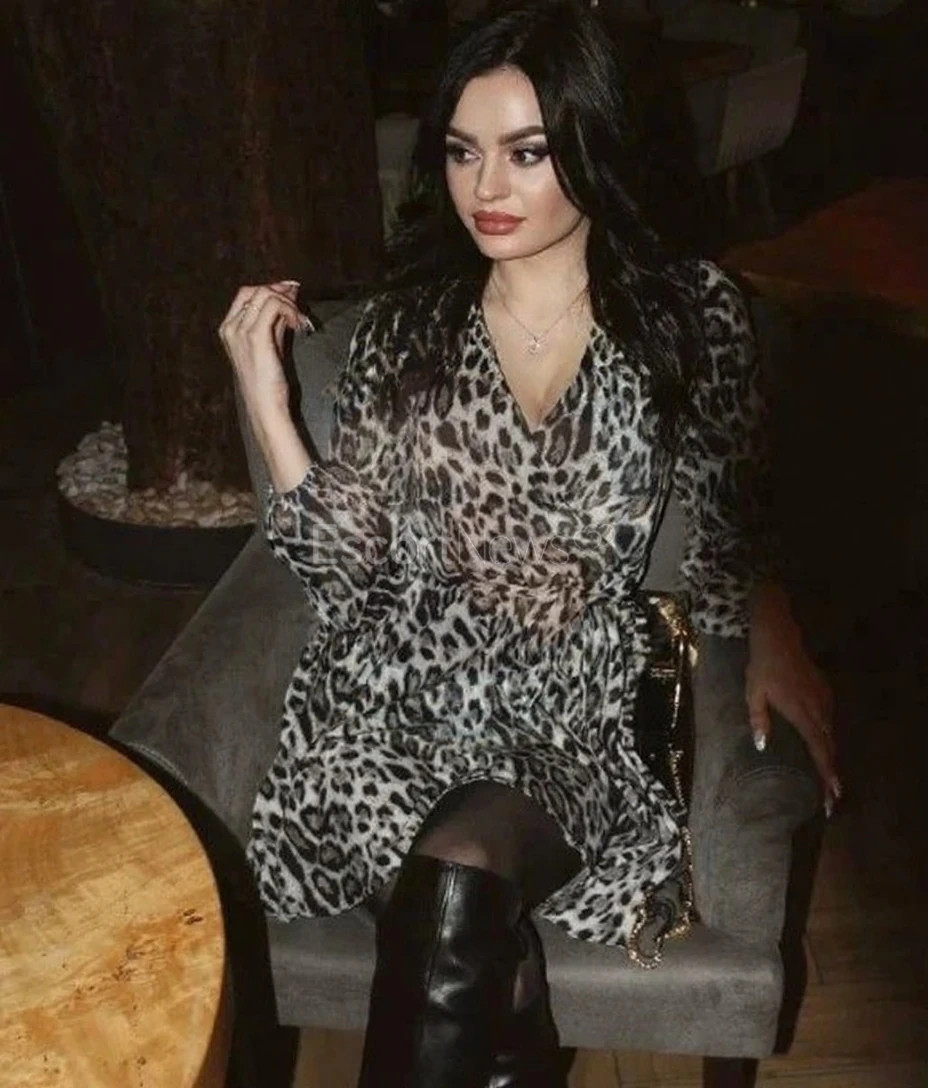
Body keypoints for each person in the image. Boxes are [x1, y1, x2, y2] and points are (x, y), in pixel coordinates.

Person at [218, 3, 840, 1084]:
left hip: (574, 707)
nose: (485, 187)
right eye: (462, 152)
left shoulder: (691, 317)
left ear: (592, 148)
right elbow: (347, 570)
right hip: (396, 698)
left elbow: (730, 512)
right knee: (469, 941)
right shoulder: (410, 329)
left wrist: (770, 623)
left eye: (526, 151)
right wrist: (268, 405)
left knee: (460, 871)